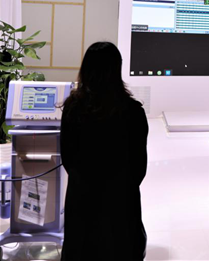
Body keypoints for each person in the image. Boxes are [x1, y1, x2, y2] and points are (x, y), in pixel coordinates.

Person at [61, 42, 148, 261]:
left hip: (82, 197)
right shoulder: (133, 111)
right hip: (121, 199)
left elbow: (67, 157)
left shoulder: (72, 108)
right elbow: (139, 165)